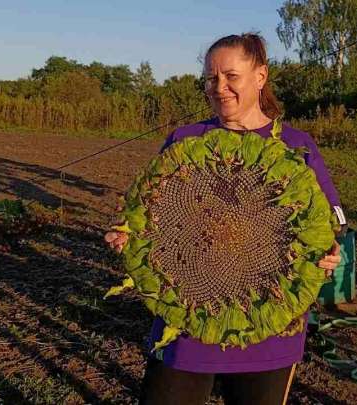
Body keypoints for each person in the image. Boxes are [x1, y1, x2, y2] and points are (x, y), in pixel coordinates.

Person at [105, 33, 344, 405]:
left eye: (231, 76)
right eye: (211, 78)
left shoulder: (297, 146)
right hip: (190, 318)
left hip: (268, 326)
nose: (219, 88)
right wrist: (129, 234)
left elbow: (331, 223)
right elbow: (153, 212)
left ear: (260, 76)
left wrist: (330, 251)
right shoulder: (185, 140)